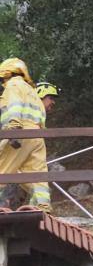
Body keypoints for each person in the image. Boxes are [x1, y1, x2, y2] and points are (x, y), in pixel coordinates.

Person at [0, 59, 50, 211]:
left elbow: (15, 106)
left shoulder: (13, 86)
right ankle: (43, 205)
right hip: (37, 136)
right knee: (37, 173)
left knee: (2, 167)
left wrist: (13, 127)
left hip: (20, 131)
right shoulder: (32, 92)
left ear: (7, 73)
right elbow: (42, 116)